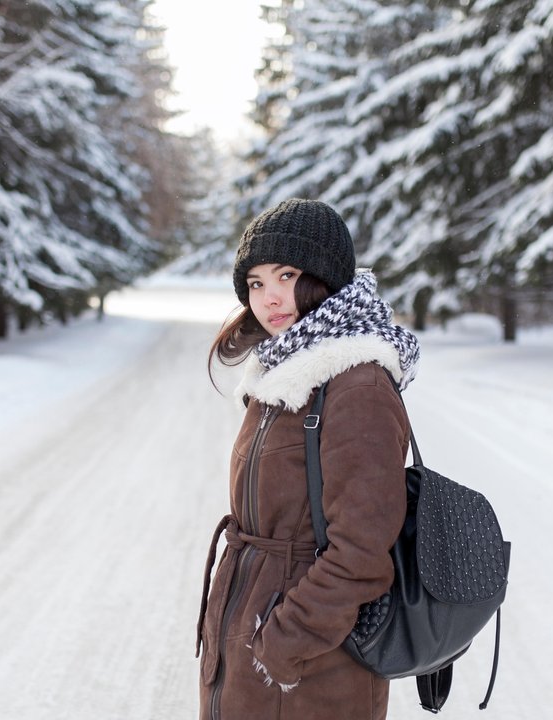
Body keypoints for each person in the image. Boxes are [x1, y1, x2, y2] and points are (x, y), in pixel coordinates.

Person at [196, 198, 421, 720]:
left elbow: (362, 552)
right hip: (253, 660)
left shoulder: (357, 384)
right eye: (255, 283)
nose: (269, 298)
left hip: (310, 675)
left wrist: (281, 644)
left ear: (325, 277)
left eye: (286, 275)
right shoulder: (281, 375)